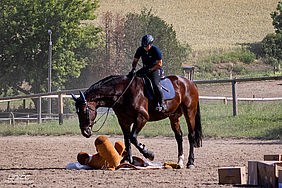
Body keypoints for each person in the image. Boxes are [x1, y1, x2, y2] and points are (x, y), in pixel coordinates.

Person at [129, 34, 167, 112]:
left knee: (155, 84)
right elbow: (135, 60)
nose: (145, 48)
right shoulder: (140, 49)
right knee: (132, 78)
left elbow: (159, 64)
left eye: (147, 46)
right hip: (145, 68)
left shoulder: (156, 50)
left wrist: (151, 69)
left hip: (155, 68)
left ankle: (162, 103)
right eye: (144, 46)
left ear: (151, 44)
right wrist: (133, 69)